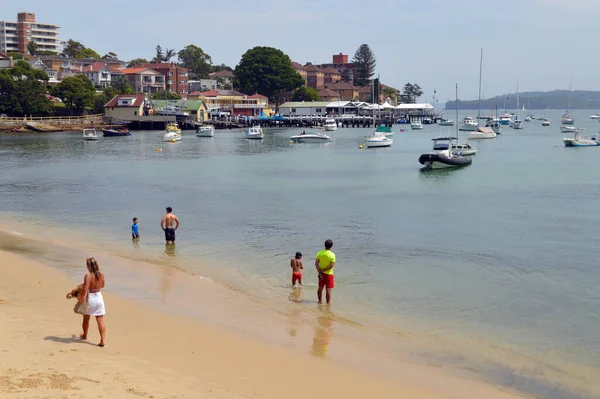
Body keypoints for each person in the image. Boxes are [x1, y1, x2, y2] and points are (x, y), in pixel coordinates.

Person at [78, 258, 106, 347]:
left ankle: (85, 335)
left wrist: (79, 288)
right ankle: (103, 340)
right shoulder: (101, 274)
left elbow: (85, 290)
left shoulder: (88, 276)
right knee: (100, 319)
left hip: (90, 297)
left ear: (88, 266)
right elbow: (103, 285)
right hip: (99, 296)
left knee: (86, 318)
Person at [315, 239, 336, 304]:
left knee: (320, 288)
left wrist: (320, 272)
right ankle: (328, 303)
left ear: (324, 245)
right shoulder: (332, 255)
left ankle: (319, 301)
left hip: (321, 274)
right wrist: (323, 270)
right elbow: (331, 266)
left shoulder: (319, 253)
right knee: (328, 289)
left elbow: (316, 264)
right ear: (331, 246)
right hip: (329, 274)